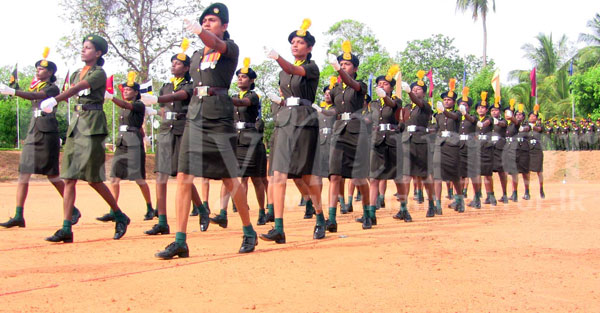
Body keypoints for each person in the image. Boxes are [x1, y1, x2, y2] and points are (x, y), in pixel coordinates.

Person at [155, 3, 257, 258]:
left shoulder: (230, 49)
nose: (207, 23)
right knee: (184, 175)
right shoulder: (197, 55)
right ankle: (180, 240)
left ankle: (248, 230)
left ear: (224, 26)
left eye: (212, 20)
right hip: (195, 116)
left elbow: (217, 44)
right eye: (205, 20)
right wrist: (159, 100)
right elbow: (191, 88)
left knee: (229, 177)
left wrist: (200, 32)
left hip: (219, 116)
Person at [39, 34, 130, 242]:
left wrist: (55, 100)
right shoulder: (77, 73)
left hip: (92, 124)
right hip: (77, 124)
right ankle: (66, 228)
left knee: (92, 178)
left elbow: (76, 89)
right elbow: (73, 87)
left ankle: (119, 215)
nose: (83, 50)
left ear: (98, 53)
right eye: (83, 47)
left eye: (88, 48)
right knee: (69, 177)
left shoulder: (99, 73)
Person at [260, 18, 325, 244]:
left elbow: (292, 68)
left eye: (300, 42)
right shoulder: (283, 73)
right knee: (278, 174)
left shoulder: (311, 67)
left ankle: (320, 216)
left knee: (306, 174)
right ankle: (278, 227)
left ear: (309, 47)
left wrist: (278, 57)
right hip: (285, 120)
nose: (295, 45)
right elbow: (285, 84)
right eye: (293, 42)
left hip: (304, 121)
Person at [0, 49, 81, 228]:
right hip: (33, 130)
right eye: (37, 68)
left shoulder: (52, 88)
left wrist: (13, 92)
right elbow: (31, 94)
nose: (38, 70)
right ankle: (18, 215)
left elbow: (36, 96)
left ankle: (73, 209)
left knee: (52, 174)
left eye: (42, 69)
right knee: (24, 173)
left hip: (47, 131)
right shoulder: (36, 85)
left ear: (50, 72)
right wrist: (14, 90)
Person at [139, 39, 208, 236]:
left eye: (178, 63)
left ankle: (201, 208)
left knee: (181, 175)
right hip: (166, 130)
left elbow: (181, 97)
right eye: (173, 63)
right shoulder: (166, 86)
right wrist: (156, 112)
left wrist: (159, 100)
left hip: (182, 130)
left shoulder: (189, 85)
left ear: (187, 67)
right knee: (160, 176)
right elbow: (163, 109)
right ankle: (162, 221)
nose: (173, 66)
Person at [212, 60, 268, 226]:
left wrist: (224, 98)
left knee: (256, 179)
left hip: (250, 140)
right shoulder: (234, 97)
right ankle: (223, 212)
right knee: (229, 176)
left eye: (244, 77)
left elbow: (245, 104)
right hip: (235, 140)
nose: (240, 79)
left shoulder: (253, 96)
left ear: (251, 81)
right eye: (239, 77)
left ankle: (262, 211)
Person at [324, 40, 372, 230]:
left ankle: (368, 213)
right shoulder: (335, 90)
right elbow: (335, 110)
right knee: (334, 176)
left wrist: (338, 71)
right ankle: (332, 218)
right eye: (341, 64)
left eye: (347, 64)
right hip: (339, 131)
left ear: (355, 67)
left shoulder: (358, 85)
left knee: (359, 177)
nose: (343, 66)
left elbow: (349, 82)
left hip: (356, 131)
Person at [102, 72, 155, 221]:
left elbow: (127, 106)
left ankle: (150, 207)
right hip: (122, 142)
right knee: (114, 178)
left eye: (128, 90)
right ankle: (113, 209)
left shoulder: (138, 104)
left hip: (133, 144)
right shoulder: (123, 107)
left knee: (139, 179)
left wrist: (112, 97)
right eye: (124, 90)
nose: (125, 91)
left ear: (136, 92)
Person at [395, 71, 435, 220]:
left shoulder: (425, 105)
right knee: (406, 176)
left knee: (424, 176)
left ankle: (431, 203)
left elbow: (417, 101)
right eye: (414, 89)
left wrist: (409, 93)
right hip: (407, 141)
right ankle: (403, 209)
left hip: (420, 141)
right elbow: (402, 124)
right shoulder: (407, 107)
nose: (416, 91)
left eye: (419, 90)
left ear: (424, 93)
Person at [367, 66, 404, 221]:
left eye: (385, 84)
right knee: (374, 177)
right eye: (379, 83)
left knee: (397, 177)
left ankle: (404, 208)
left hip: (392, 140)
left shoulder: (396, 100)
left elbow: (392, 106)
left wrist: (385, 97)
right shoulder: (373, 104)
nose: (381, 85)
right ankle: (370, 213)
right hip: (377, 140)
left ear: (391, 87)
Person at [431, 79, 461, 215]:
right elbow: (436, 128)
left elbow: (453, 116)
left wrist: (445, 111)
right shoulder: (438, 115)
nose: (446, 101)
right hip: (440, 144)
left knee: (454, 175)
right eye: (445, 100)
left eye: (449, 100)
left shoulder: (458, 113)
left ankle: (459, 199)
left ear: (454, 102)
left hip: (452, 145)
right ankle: (437, 204)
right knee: (437, 175)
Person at [471, 92, 494, 208]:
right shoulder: (474, 119)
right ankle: (477, 196)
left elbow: (486, 124)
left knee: (487, 174)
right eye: (479, 108)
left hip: (486, 148)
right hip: (476, 147)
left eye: (483, 108)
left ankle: (490, 195)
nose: (481, 109)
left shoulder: (489, 119)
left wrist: (480, 123)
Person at [528, 107, 545, 199]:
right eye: (530, 116)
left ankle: (541, 189)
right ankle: (527, 191)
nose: (532, 117)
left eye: (534, 116)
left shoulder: (540, 126)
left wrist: (532, 126)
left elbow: (538, 130)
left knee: (539, 171)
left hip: (537, 150)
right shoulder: (526, 125)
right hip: (528, 150)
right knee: (527, 171)